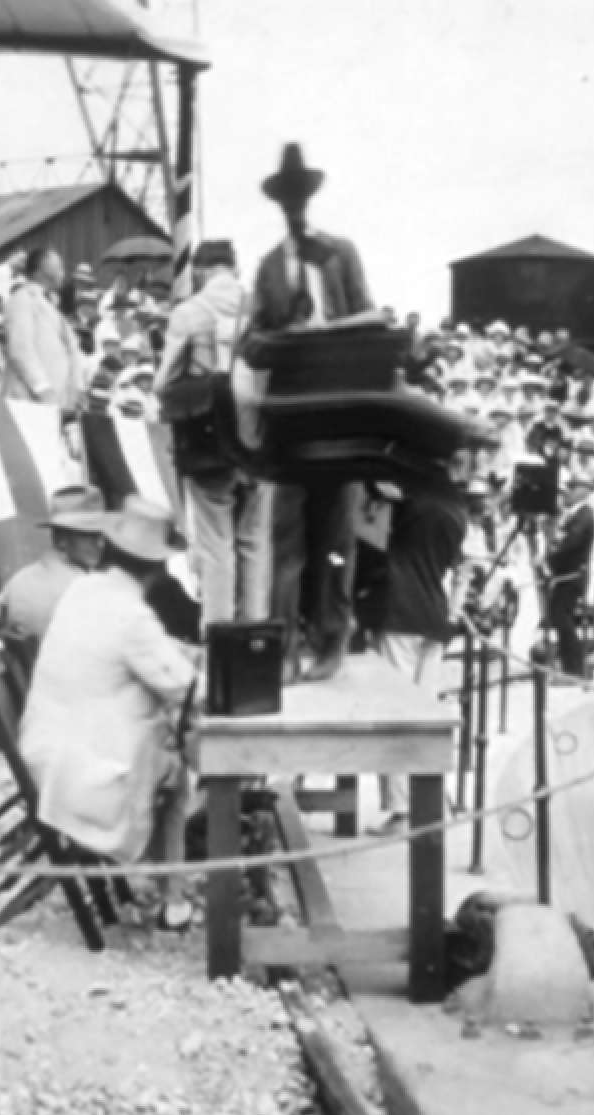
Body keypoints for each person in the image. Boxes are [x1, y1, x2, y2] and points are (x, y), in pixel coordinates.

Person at [19, 497, 199, 931]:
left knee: (165, 751)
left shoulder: (86, 590)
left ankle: (166, 885)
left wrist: (181, 654)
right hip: (85, 771)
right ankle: (172, 896)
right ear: (155, 568)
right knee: (181, 774)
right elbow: (183, 686)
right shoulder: (132, 614)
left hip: (53, 750)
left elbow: (145, 655)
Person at [245, 143, 374, 680]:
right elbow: (250, 341)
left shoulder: (341, 253)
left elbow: (369, 314)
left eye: (301, 198)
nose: (295, 208)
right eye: (287, 200)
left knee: (336, 541)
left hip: (338, 415)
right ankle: (284, 646)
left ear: (310, 199)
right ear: (280, 205)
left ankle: (330, 641)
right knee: (288, 543)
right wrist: (284, 333)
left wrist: (331, 331)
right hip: (293, 418)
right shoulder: (270, 268)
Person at [159, 238, 268, 626]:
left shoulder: (189, 312)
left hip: (207, 438)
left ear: (201, 271)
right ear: (234, 267)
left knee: (214, 541)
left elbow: (163, 382)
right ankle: (256, 631)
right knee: (254, 540)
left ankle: (220, 639)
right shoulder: (262, 309)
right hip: (258, 439)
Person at [365, 474, 469, 835]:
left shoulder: (402, 502)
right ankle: (427, 801)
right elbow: (462, 569)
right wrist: (454, 614)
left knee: (395, 712)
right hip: (435, 614)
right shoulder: (456, 511)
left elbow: (372, 541)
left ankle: (400, 809)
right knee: (424, 712)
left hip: (398, 612)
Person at [0, 485, 106, 657]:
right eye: (89, 535)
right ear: (61, 539)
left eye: (100, 534)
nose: (100, 543)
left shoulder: (20, 580)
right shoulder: (89, 591)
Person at [3, 247, 82, 412]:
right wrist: (42, 388)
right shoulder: (22, 299)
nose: (63, 273)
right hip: (29, 400)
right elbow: (20, 349)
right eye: (59, 267)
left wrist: (76, 390)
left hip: (59, 404)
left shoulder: (53, 307)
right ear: (42, 270)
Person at [543, 470, 594, 679]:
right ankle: (571, 665)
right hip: (566, 574)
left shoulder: (584, 515)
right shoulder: (575, 515)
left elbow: (570, 544)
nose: (568, 493)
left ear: (583, 491)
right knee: (560, 619)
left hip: (572, 575)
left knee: (562, 619)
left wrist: (550, 558)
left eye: (572, 488)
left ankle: (574, 667)